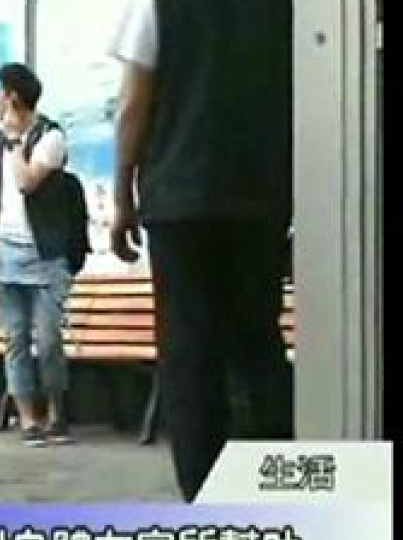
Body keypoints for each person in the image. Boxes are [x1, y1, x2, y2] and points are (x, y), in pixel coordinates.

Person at [108, 0, 294, 501]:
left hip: (178, 200)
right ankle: (277, 484)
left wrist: (122, 195)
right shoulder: (286, 10)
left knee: (189, 352)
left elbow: (134, 103)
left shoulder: (157, 5)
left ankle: (204, 491)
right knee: (258, 342)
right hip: (260, 198)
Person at [0, 63, 77, 448]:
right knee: (15, 338)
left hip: (46, 254)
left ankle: (57, 412)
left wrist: (16, 140)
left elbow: (27, 181)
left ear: (13, 97)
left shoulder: (51, 137)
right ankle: (28, 418)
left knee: (48, 339)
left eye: (0, 94)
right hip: (5, 252)